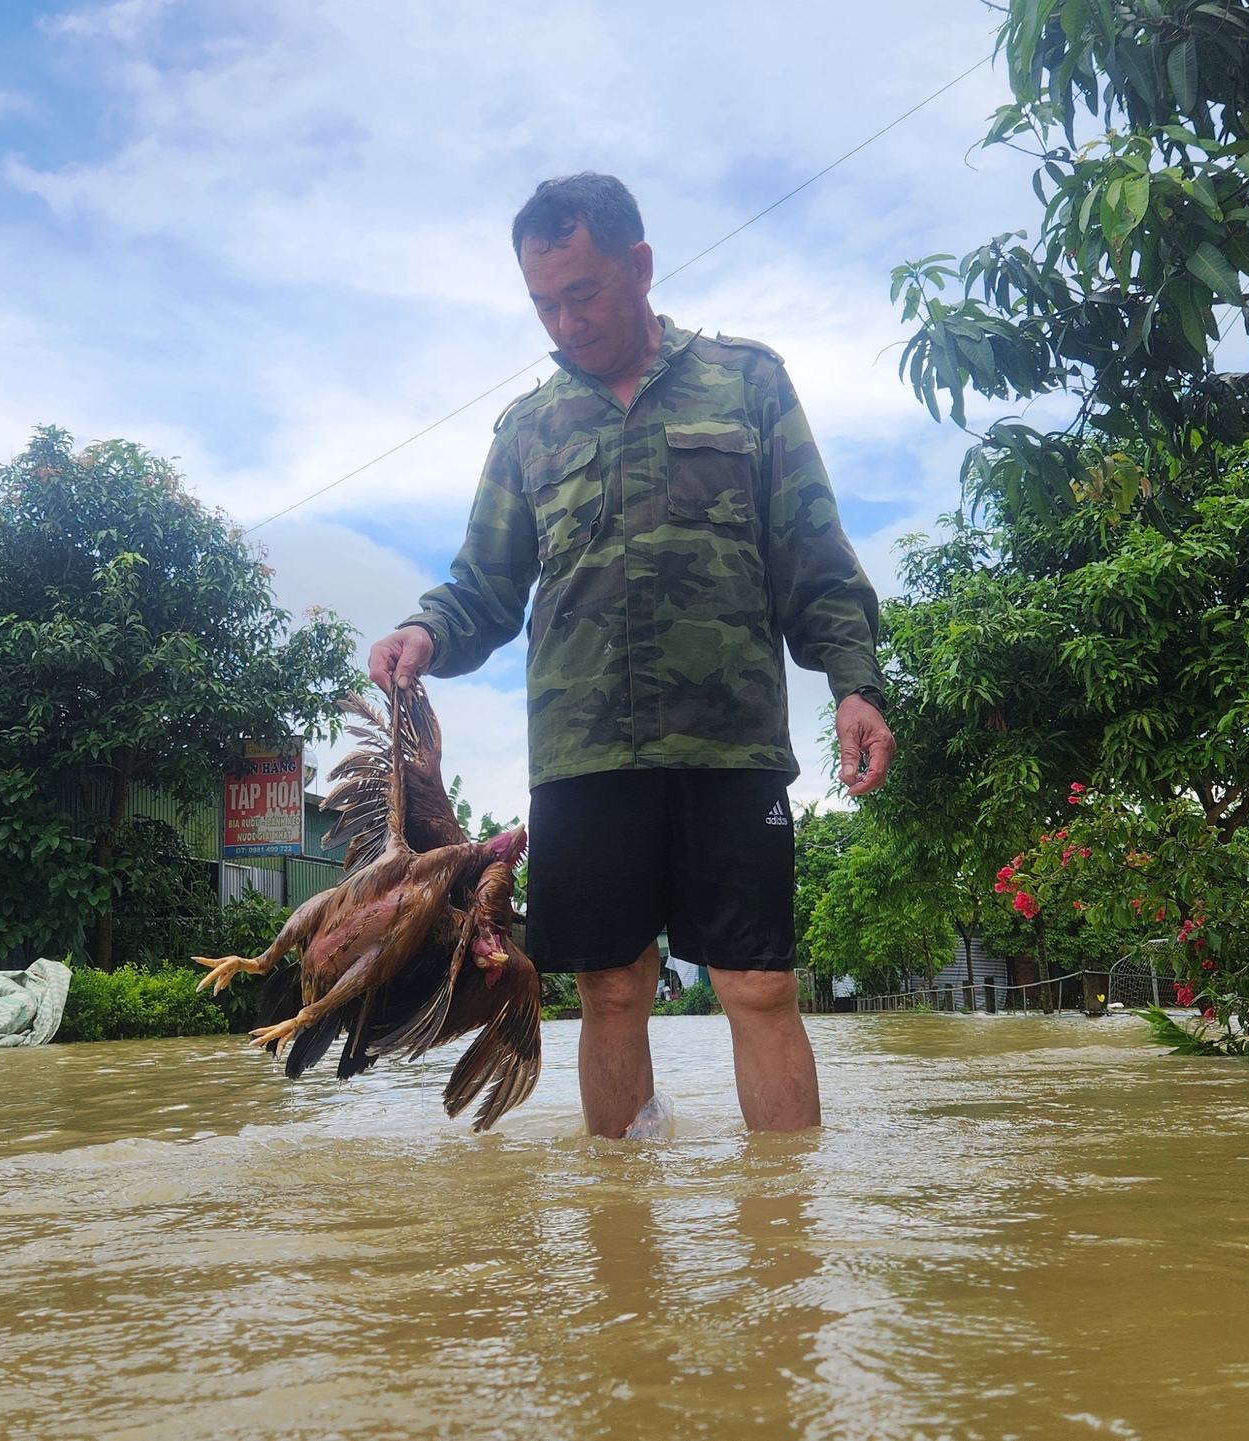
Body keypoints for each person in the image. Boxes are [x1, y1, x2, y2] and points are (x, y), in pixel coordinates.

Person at [367, 172, 892, 1135]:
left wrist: (855, 683)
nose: (565, 322)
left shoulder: (750, 381)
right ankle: (625, 1252)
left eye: (584, 293)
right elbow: (484, 584)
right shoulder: (526, 429)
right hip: (584, 752)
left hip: (729, 743)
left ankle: (785, 1255)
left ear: (640, 267)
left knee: (759, 983)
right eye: (543, 304)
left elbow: (812, 555)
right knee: (611, 986)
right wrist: (426, 630)